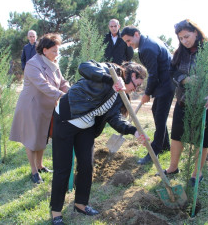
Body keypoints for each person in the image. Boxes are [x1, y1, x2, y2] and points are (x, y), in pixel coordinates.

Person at [50, 60, 148, 225]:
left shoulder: (120, 95)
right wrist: (112, 80)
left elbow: (115, 118)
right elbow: (83, 67)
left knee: (87, 166)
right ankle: (56, 213)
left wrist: (134, 131)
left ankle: (81, 204)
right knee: (63, 169)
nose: (136, 89)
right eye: (136, 85)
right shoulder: (109, 71)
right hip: (67, 119)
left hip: (86, 126)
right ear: (132, 75)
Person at [164, 19, 208, 186]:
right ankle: (173, 167)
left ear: (196, 32)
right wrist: (184, 79)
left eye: (187, 36)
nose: (184, 41)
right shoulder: (179, 53)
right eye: (181, 38)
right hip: (184, 100)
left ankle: (196, 173)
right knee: (176, 133)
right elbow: (172, 71)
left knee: (202, 138)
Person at [10, 33, 70, 184]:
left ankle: (40, 165)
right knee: (31, 139)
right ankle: (34, 171)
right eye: (54, 51)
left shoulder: (53, 63)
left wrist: (71, 91)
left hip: (47, 106)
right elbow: (43, 85)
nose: (57, 54)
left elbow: (62, 82)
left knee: (42, 136)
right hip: (32, 106)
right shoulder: (33, 64)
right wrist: (62, 96)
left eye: (58, 50)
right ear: (44, 50)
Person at [121, 26, 175, 165]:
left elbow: (153, 74)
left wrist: (147, 93)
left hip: (166, 84)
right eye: (126, 42)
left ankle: (154, 151)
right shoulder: (148, 42)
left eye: (129, 40)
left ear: (136, 34)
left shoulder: (147, 49)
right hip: (165, 83)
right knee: (156, 111)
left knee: (160, 117)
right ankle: (164, 146)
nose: (128, 44)